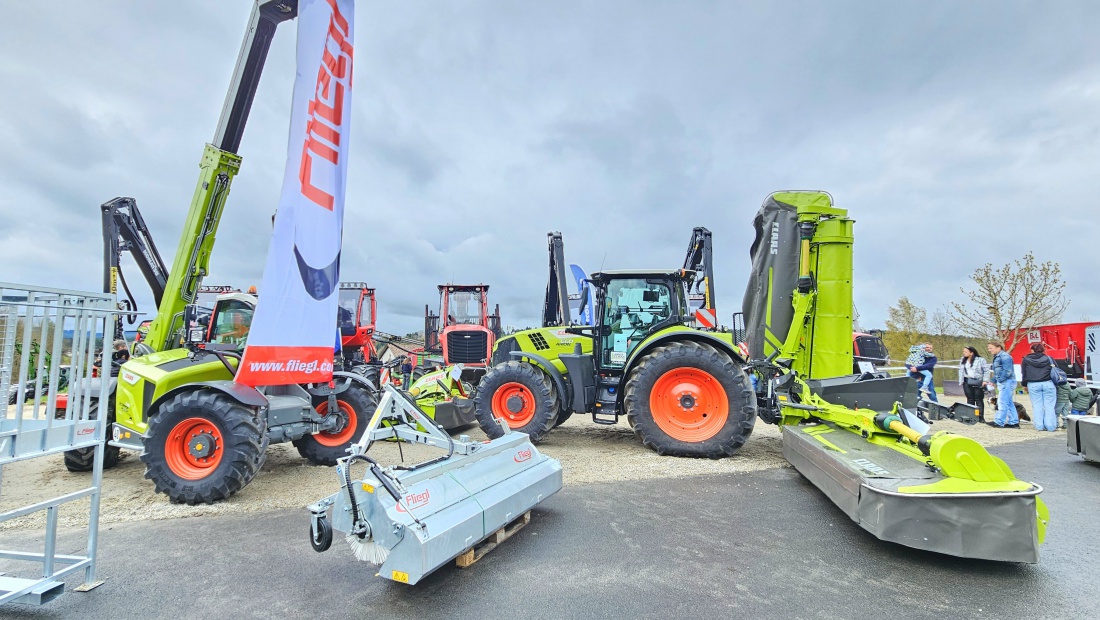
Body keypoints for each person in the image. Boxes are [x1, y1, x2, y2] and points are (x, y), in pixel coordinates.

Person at [1020, 343, 1057, 432]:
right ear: (1043, 350)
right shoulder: (1049, 359)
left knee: (1037, 406)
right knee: (1050, 406)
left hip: (1033, 384)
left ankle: (1039, 426)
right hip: (1048, 383)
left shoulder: (1026, 360)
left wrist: (1025, 385)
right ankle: (1050, 426)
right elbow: (1056, 369)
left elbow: (1024, 373)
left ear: (1032, 350)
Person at [987, 342, 1019, 428]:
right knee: (1008, 402)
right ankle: (1014, 422)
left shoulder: (1005, 357)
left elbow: (1007, 371)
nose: (989, 350)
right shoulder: (998, 357)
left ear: (998, 347)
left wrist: (999, 380)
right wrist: (993, 380)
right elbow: (998, 371)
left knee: (1002, 402)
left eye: (991, 348)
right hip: (1005, 381)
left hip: (1007, 382)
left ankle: (999, 421)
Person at [958, 346, 990, 422]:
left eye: (966, 352)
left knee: (978, 399)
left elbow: (986, 370)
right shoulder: (963, 360)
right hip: (966, 380)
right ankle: (970, 416)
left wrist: (985, 380)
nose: (964, 353)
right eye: (964, 351)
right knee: (970, 398)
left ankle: (980, 417)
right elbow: (960, 370)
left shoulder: (980, 360)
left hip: (978, 380)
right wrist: (961, 380)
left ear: (971, 353)